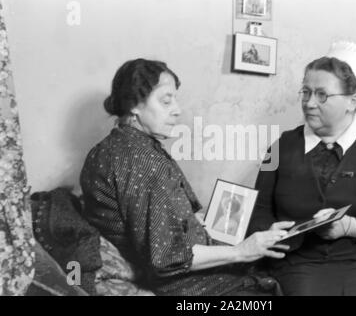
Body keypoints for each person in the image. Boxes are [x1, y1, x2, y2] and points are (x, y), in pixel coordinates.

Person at [80, 58, 290, 296]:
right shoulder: (141, 160)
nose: (177, 109)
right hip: (183, 287)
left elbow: (154, 218)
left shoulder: (110, 147)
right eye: (166, 101)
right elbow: (167, 258)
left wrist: (202, 221)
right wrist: (242, 250)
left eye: (175, 99)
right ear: (134, 106)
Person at [248, 41, 356, 296]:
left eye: (322, 95)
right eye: (306, 92)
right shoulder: (279, 147)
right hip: (303, 261)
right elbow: (259, 210)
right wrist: (267, 230)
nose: (309, 103)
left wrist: (351, 226)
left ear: (352, 102)